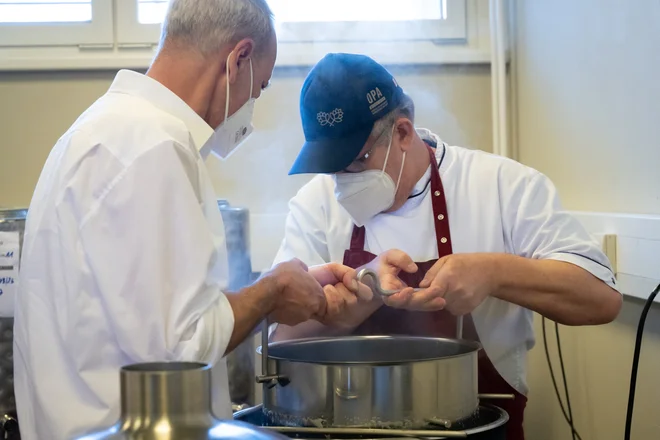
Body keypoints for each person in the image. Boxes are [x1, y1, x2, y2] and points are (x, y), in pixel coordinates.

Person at [12, 3, 377, 439]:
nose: (250, 108)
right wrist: (271, 292)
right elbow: (180, 352)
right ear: (237, 58)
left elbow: (151, 317)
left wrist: (279, 291)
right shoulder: (151, 149)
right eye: (258, 89)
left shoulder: (99, 130)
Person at [270, 53, 623, 440]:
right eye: (331, 167)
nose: (342, 182)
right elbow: (282, 342)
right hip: (343, 426)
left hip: (477, 425)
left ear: (403, 133)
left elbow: (601, 299)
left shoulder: (501, 186)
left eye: (355, 163)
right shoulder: (315, 204)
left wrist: (494, 273)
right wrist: (355, 301)